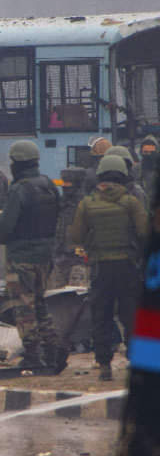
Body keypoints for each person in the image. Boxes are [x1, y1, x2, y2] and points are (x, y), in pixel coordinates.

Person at [69, 154, 149, 381]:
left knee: (101, 314)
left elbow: (75, 235)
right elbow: (144, 233)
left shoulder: (87, 204)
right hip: (127, 266)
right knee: (130, 314)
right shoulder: (131, 202)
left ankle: (104, 364)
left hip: (100, 267)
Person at [0, 140, 64, 373]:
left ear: (17, 163)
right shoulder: (49, 185)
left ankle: (32, 356)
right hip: (45, 257)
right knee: (40, 305)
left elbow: (6, 226)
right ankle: (53, 351)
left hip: (21, 257)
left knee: (24, 308)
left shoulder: (20, 189)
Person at [49, 169, 88, 289]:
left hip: (78, 257)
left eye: (68, 183)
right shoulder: (60, 202)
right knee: (56, 294)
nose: (65, 186)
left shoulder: (85, 204)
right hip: (60, 255)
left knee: (77, 294)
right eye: (64, 182)